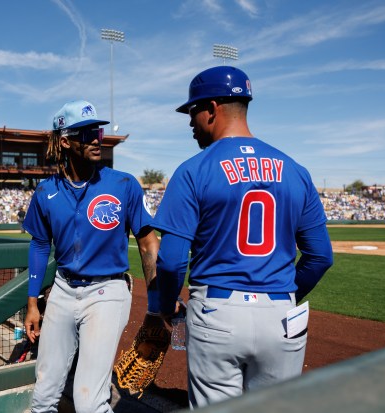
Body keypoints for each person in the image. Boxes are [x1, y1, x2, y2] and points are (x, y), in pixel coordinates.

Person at [153, 66, 334, 408]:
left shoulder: (193, 170)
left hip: (217, 312)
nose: (191, 122)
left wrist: (165, 307)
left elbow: (172, 259)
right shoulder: (295, 170)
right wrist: (284, 293)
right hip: (281, 315)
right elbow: (321, 256)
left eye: (193, 112)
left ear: (212, 109)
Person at [23, 100, 160, 413]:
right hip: (62, 289)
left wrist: (157, 302)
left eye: (98, 130)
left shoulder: (123, 184)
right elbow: (40, 245)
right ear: (66, 141)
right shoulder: (46, 191)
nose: (97, 138)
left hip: (107, 291)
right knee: (43, 396)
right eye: (86, 133)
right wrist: (32, 303)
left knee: (88, 401)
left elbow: (148, 242)